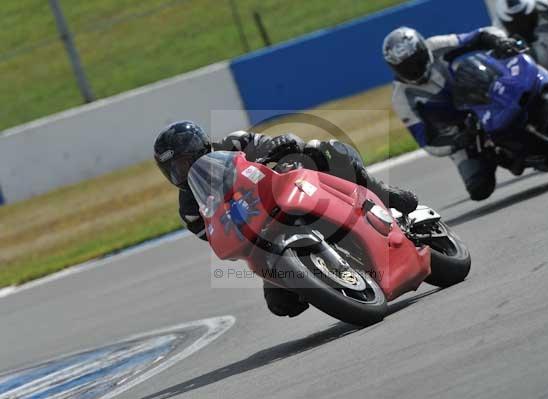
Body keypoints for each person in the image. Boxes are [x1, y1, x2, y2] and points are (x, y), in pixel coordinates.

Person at [153, 120, 418, 317]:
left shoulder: (233, 144)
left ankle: (382, 193)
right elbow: (217, 237)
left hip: (286, 191)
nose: (183, 171)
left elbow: (276, 143)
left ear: (201, 147)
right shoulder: (190, 209)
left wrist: (281, 146)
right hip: (263, 236)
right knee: (281, 304)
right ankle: (324, 279)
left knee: (321, 151)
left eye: (186, 161)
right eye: (174, 169)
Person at [383, 26, 521, 200]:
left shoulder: (437, 45)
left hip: (484, 99)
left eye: (415, 61)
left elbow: (479, 35)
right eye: (404, 67)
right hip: (463, 133)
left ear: (423, 49)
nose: (413, 69)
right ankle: (497, 156)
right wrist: (456, 141)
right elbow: (426, 141)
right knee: (479, 188)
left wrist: (499, 41)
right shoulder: (401, 97)